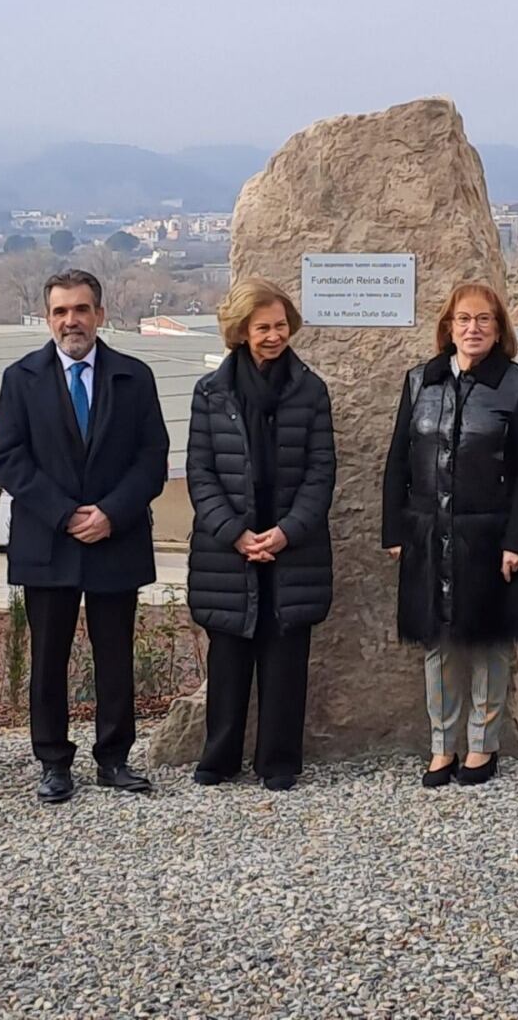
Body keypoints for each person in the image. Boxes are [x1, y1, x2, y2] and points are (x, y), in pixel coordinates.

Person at [0, 270, 169, 802]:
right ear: (48, 318)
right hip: (50, 540)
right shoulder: (20, 378)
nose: (72, 320)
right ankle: (53, 762)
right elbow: (10, 459)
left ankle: (114, 758)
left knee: (115, 655)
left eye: (82, 309)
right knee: (48, 657)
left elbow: (152, 458)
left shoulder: (134, 377)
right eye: (61, 312)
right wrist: (66, 513)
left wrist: (111, 513)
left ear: (100, 313)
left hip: (116, 537)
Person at [382, 281, 518, 787]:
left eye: (483, 320)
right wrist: (396, 530)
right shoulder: (419, 382)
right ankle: (441, 746)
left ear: (498, 329)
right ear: (447, 327)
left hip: (493, 536)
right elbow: (398, 463)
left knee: (489, 642)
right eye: (463, 320)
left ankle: (483, 745)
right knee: (437, 643)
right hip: (429, 533)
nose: (472, 329)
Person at [186, 277, 335, 791]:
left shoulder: (311, 390)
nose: (273, 336)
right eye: (262, 327)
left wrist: (286, 533)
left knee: (286, 657)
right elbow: (200, 472)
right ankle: (219, 757)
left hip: (293, 548)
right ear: (241, 331)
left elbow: (322, 473)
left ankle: (278, 760)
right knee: (228, 658)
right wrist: (235, 533)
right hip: (227, 549)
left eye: (280, 326)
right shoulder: (211, 393)